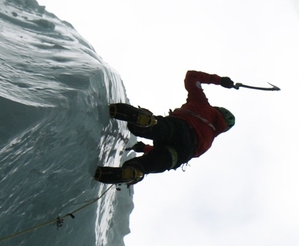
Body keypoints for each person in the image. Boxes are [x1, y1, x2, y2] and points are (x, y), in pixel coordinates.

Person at [94, 71, 236, 185]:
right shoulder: (208, 142)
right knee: (150, 163)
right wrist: (145, 149)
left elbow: (192, 76)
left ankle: (146, 122)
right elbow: (171, 148)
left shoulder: (202, 104)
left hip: (181, 127)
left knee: (157, 128)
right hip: (182, 153)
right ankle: (134, 171)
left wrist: (219, 80)